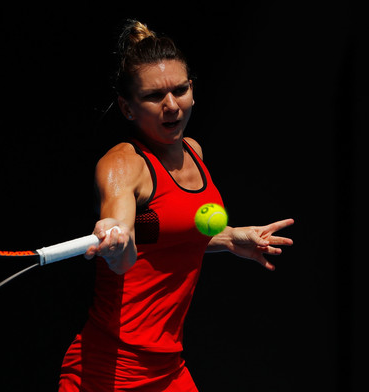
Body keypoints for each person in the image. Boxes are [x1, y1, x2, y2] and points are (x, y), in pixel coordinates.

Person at [58, 20, 294, 392]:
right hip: (108, 371)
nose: (171, 106)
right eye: (154, 96)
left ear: (192, 91)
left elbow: (168, 232)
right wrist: (117, 242)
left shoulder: (194, 153)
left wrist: (231, 239)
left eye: (180, 90)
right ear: (127, 107)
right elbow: (122, 251)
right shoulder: (123, 165)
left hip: (168, 370)